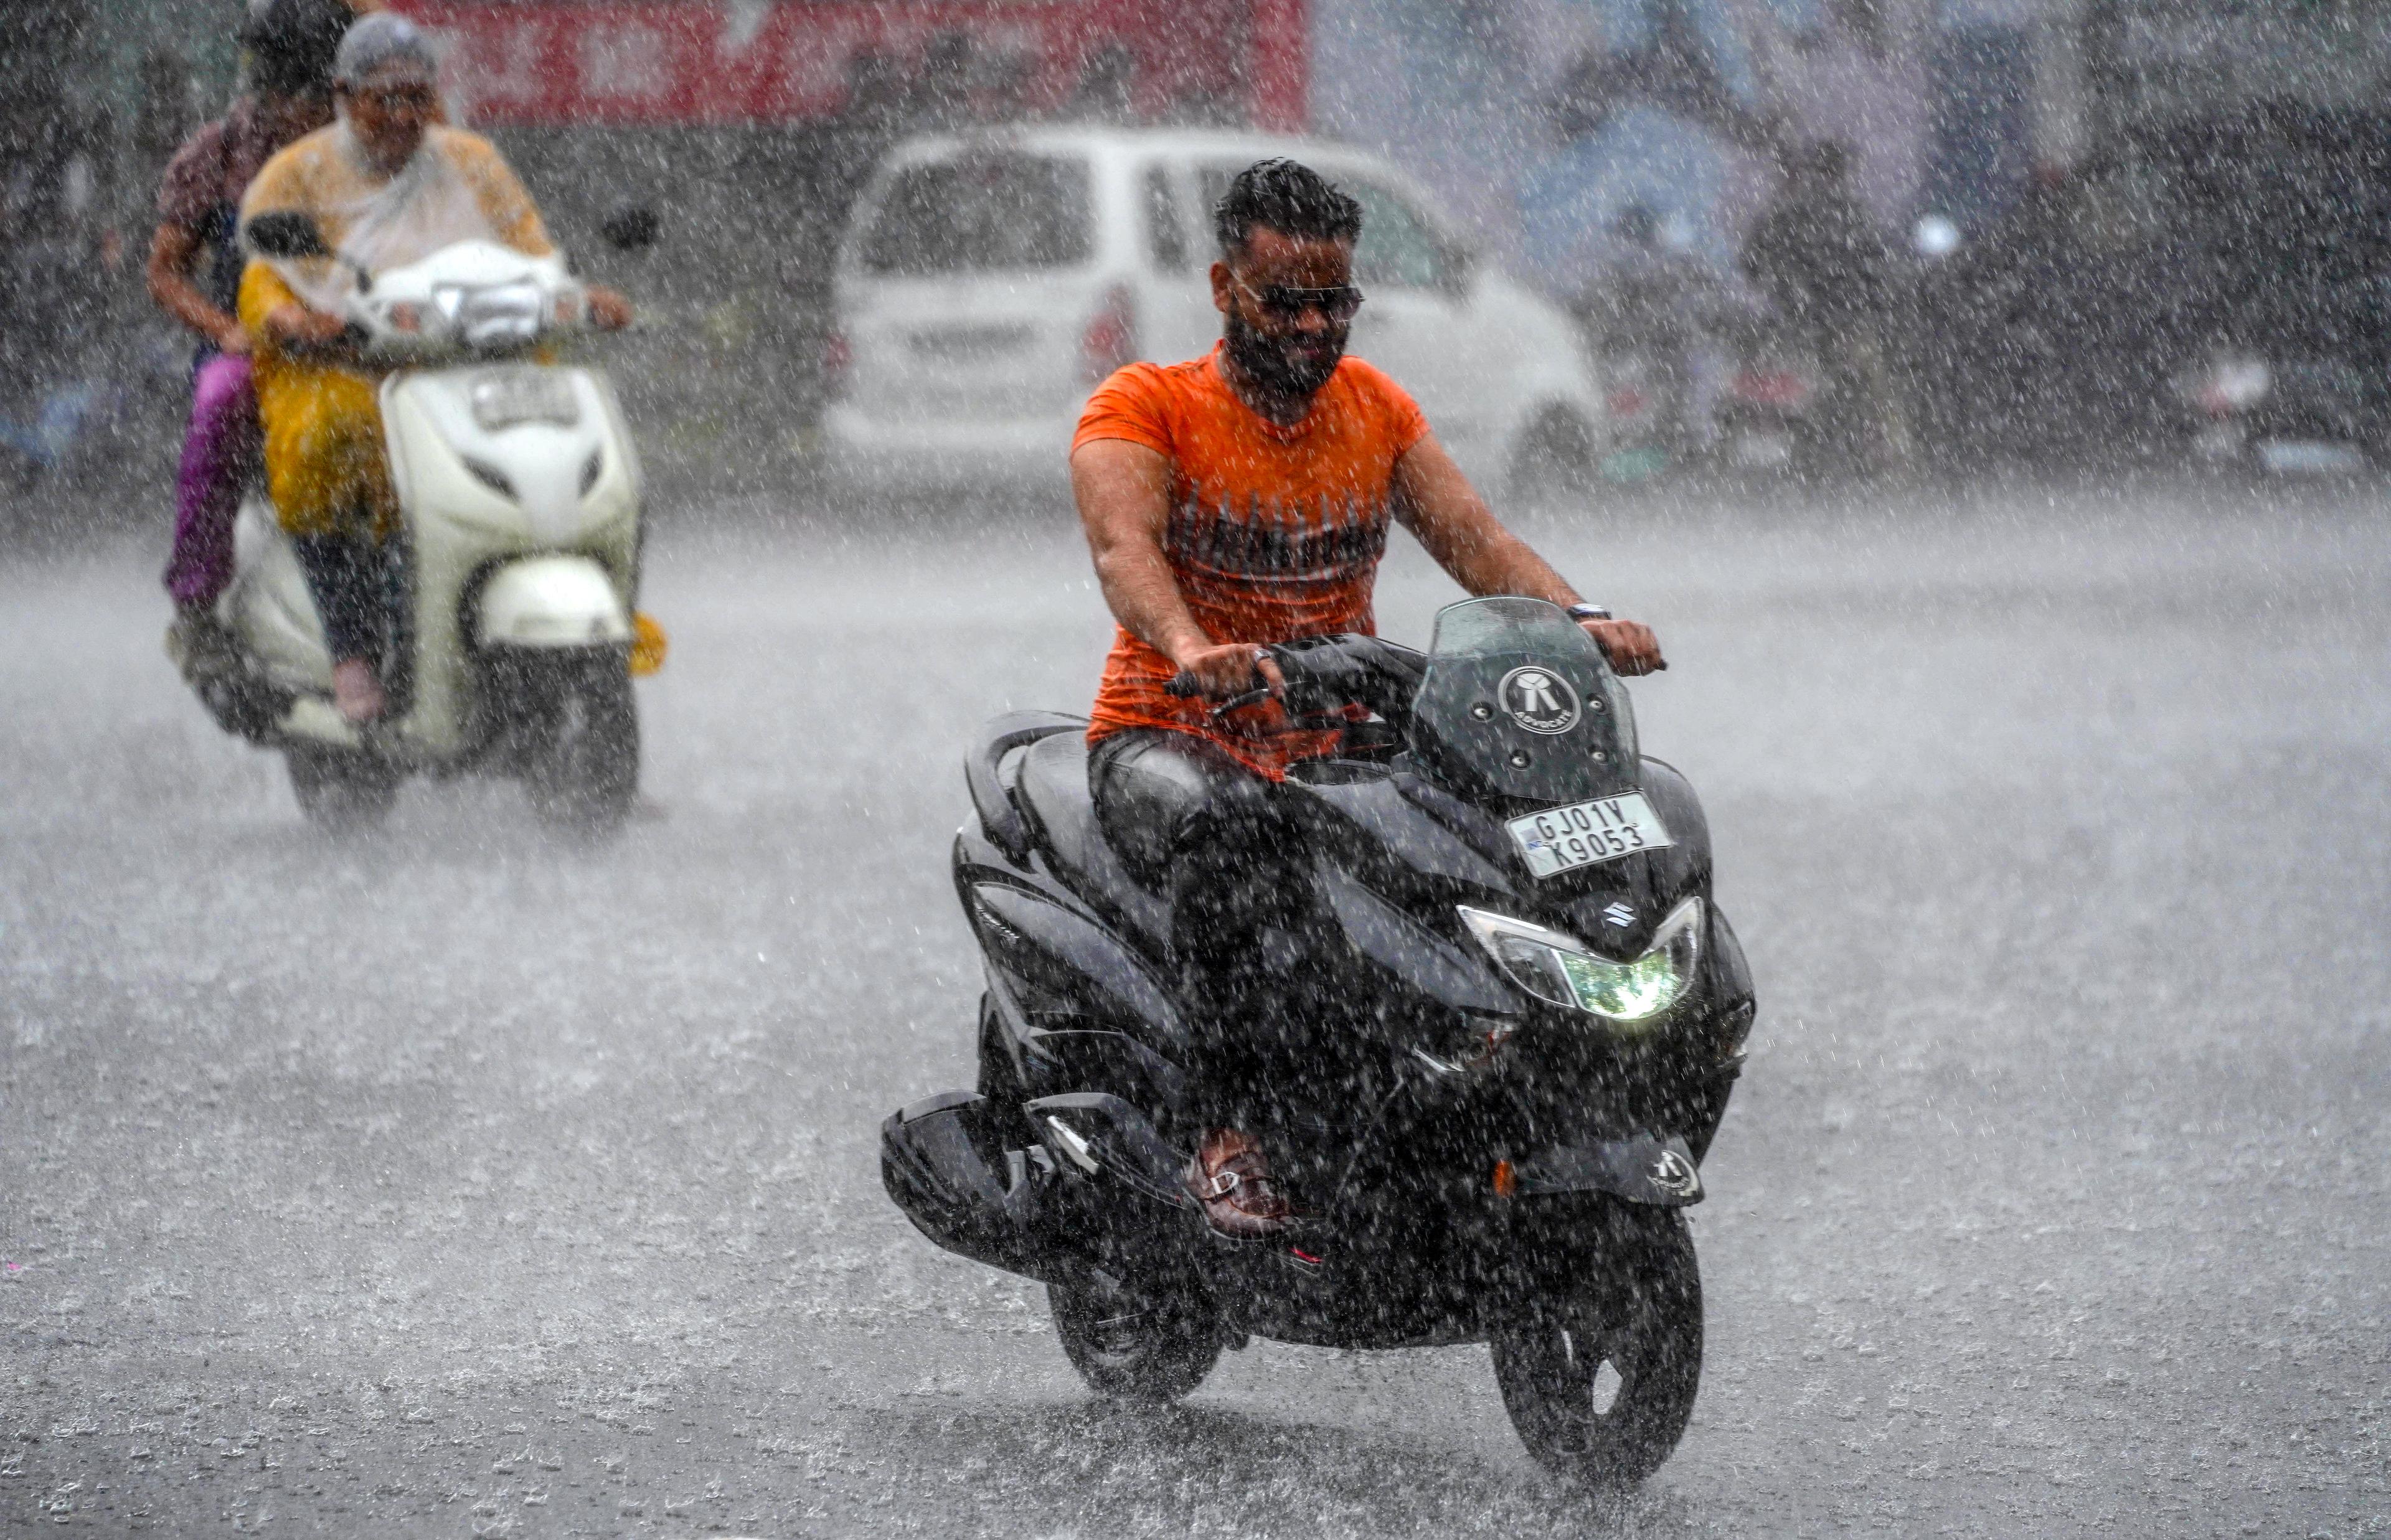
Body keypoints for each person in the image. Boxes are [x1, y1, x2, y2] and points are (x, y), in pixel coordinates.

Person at [1070, 159, 1665, 1238]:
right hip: (1170, 736)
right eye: (1283, 301)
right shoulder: (1145, 405)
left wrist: (1583, 624)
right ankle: (1228, 1137)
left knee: (1499, 832)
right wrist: (1191, 642)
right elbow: (1124, 548)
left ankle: (1465, 1106)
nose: (1312, 325)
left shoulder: (1378, 412)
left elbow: (1480, 544)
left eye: (1332, 301)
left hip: (1338, 740)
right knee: (1239, 841)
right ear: (1222, 289)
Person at [237, 13, 631, 725]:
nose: (400, 116)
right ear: (344, 95)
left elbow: (532, 253)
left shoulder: (471, 161)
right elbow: (267, 272)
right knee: (337, 436)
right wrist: (295, 319)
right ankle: (354, 647)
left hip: (464, 358)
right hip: (347, 363)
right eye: (382, 99)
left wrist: (580, 294)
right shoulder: (297, 174)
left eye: (416, 97)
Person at [150, 0, 355, 672]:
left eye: (328, 94)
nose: (313, 113)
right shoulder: (220, 154)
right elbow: (165, 272)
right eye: (297, 93)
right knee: (218, 403)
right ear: (266, 86)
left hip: (363, 340)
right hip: (256, 348)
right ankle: (197, 604)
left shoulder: (378, 150)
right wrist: (225, 328)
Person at [1739, 140, 1913, 474]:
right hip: (1838, 327)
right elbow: (1876, 274)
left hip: (1791, 327)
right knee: (1878, 388)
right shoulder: (1851, 216)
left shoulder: (1783, 215)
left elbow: (1751, 266)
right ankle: (1889, 456)